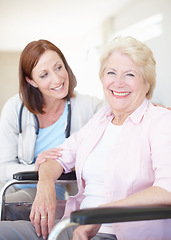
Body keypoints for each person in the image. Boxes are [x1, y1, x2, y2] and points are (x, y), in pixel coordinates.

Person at [0, 35, 171, 240]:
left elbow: (167, 189)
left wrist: (101, 214)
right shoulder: (102, 118)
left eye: (130, 74)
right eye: (111, 73)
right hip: (75, 226)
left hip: (118, 233)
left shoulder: (160, 121)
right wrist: (44, 182)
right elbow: (59, 156)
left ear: (147, 81)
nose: (118, 82)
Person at [0, 39, 105, 203]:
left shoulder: (88, 106)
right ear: (31, 81)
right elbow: (3, 167)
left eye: (58, 67)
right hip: (19, 188)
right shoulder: (14, 108)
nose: (57, 79)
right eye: (44, 75)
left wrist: (146, 106)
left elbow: (119, 110)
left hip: (60, 194)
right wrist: (39, 167)